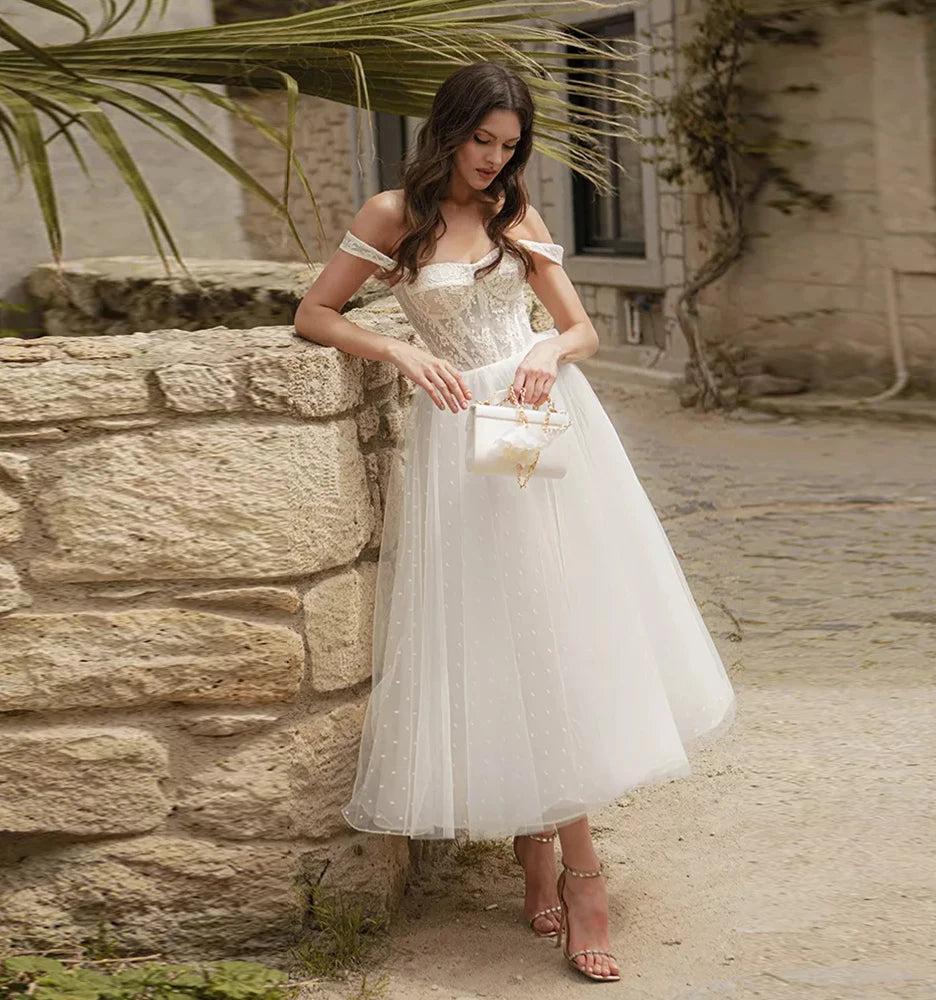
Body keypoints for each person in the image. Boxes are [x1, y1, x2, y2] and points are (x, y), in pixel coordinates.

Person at [294, 59, 737, 985]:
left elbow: (583, 332)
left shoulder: (515, 215)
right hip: (457, 440)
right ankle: (536, 842)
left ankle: (581, 873)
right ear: (447, 130)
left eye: (508, 145)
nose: (495, 160)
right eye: (481, 140)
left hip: (538, 426)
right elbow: (315, 312)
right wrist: (400, 350)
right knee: (502, 633)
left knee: (553, 627)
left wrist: (543, 349)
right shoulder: (392, 217)